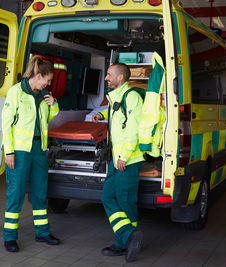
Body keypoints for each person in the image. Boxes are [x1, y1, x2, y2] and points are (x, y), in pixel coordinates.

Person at [1, 55, 60, 252]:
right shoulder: (16, 92)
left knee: (40, 192)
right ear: (39, 76)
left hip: (39, 150)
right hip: (19, 151)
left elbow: (48, 120)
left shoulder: (43, 96)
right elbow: (6, 124)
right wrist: (9, 151)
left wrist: (54, 105)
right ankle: (9, 237)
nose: (49, 83)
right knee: (16, 193)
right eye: (48, 79)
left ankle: (42, 233)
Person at [92, 63, 144, 262]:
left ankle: (124, 242)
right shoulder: (118, 97)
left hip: (127, 159)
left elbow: (133, 128)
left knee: (125, 202)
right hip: (117, 158)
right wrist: (101, 115)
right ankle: (129, 235)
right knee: (107, 196)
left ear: (120, 78)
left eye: (109, 75)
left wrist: (123, 155)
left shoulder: (132, 97)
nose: (106, 78)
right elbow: (116, 113)